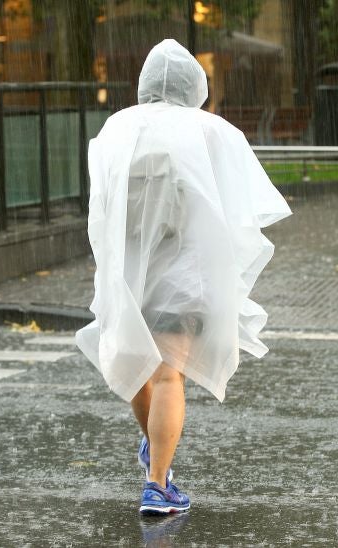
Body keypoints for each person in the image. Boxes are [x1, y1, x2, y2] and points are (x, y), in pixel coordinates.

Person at [76, 39, 291, 515]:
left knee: (137, 367)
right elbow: (242, 205)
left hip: (131, 275)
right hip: (185, 276)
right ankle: (157, 485)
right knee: (169, 374)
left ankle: (155, 451)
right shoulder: (212, 132)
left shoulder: (117, 128)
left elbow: (100, 204)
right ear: (197, 85)